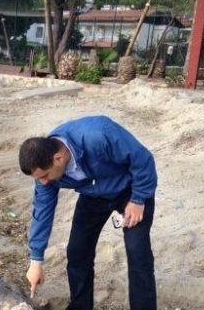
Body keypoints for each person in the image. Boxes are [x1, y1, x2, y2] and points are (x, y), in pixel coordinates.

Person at [18, 115, 157, 310]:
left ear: (58, 159)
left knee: (137, 252)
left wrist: (139, 199)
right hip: (93, 194)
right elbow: (42, 211)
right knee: (77, 252)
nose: (43, 182)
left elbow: (142, 159)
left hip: (130, 191)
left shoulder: (99, 134)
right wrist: (36, 260)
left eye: (45, 176)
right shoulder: (44, 169)